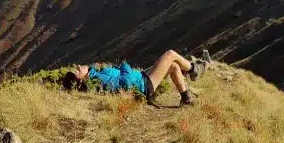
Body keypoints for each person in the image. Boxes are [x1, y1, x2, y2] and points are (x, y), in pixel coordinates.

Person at [62, 49, 209, 106]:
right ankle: (195, 70)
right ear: (80, 79)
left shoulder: (95, 75)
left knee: (174, 67)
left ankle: (186, 98)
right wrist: (125, 66)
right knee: (170, 54)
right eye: (77, 71)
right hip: (143, 84)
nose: (78, 67)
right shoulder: (99, 80)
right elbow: (125, 82)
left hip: (141, 78)